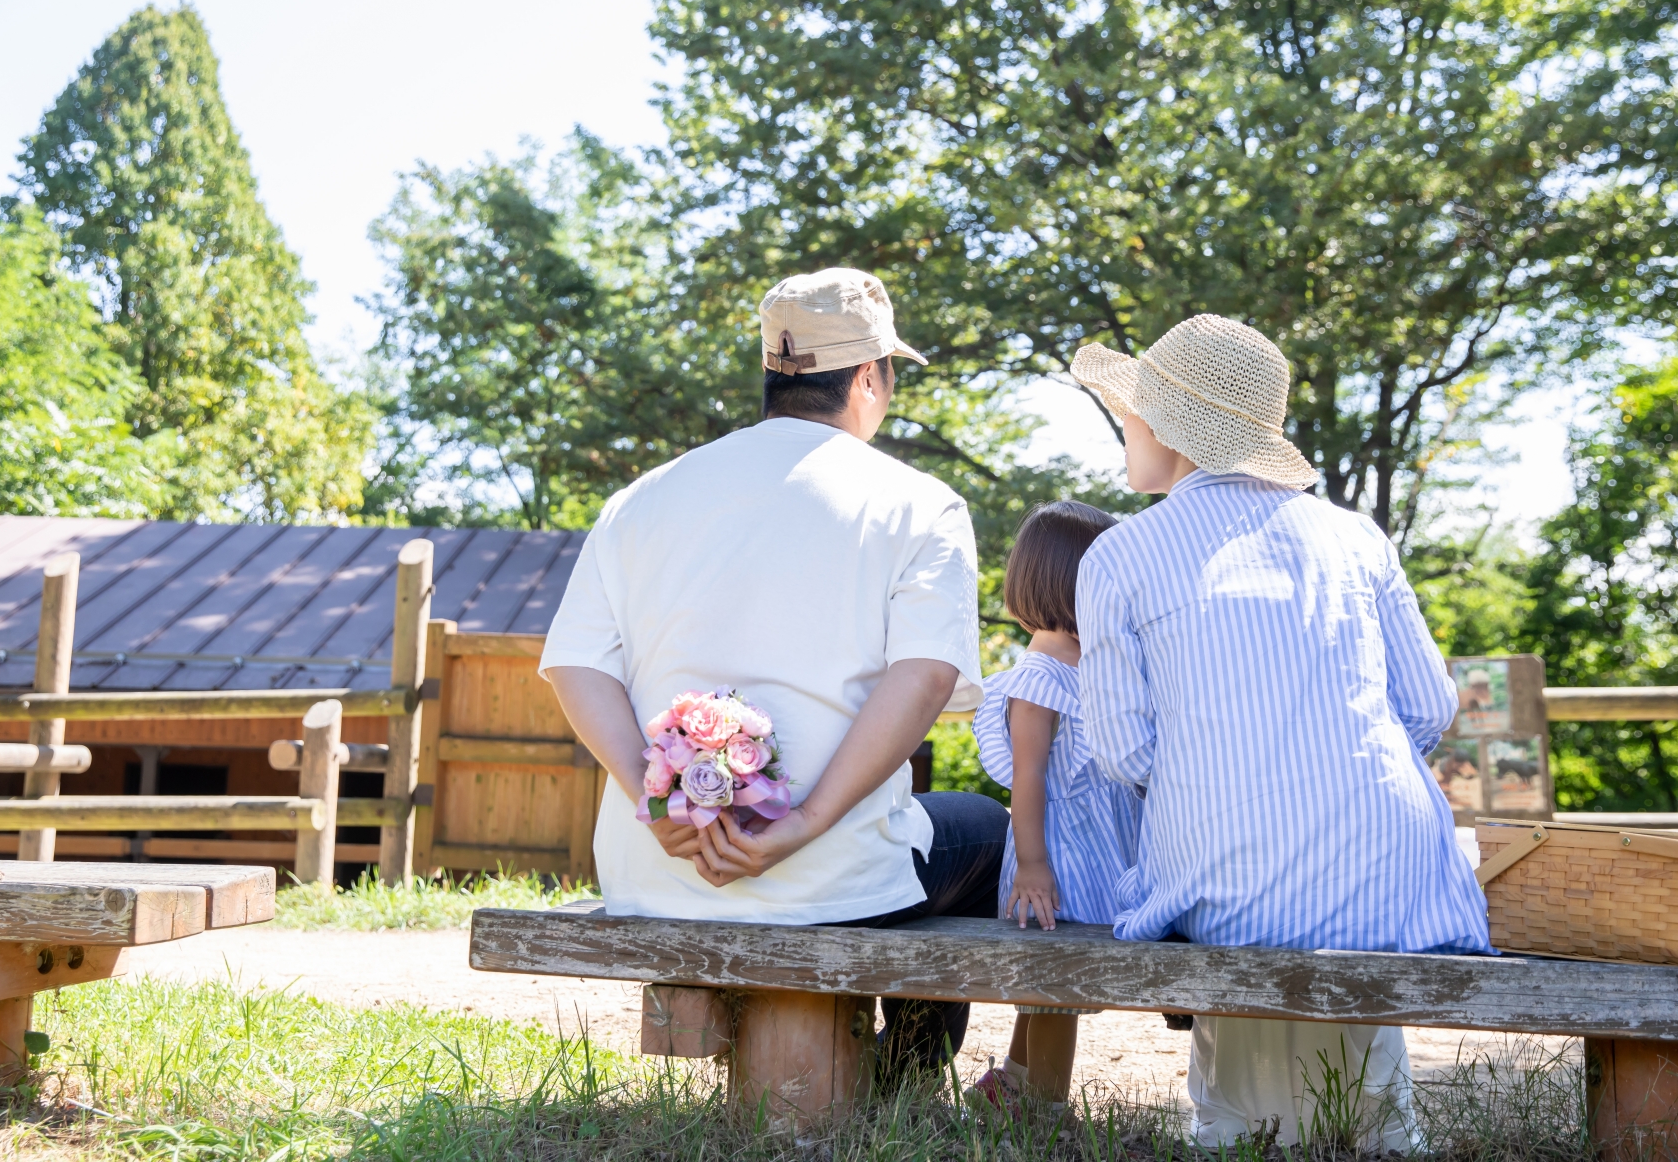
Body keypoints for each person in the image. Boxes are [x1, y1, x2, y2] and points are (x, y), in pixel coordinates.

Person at [540, 267, 1008, 1079]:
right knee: (988, 831)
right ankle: (908, 1074)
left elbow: (575, 664)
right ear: (870, 376)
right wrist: (804, 823)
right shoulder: (920, 503)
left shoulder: (643, 496)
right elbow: (927, 679)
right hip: (835, 877)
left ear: (773, 373)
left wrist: (662, 810)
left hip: (656, 870)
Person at [1069, 314, 1490, 1150]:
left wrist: (1228, 776)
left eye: (1130, 414)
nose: (1124, 429)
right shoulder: (1356, 535)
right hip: (1390, 880)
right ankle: (1372, 1130)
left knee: (1240, 884)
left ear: (1169, 429)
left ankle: (1236, 1132)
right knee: (1326, 894)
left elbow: (1122, 752)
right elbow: (1430, 708)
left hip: (1226, 881)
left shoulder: (1120, 554)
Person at [966, 500, 1142, 1105]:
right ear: (1078, 583)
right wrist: (1035, 863)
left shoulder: (1089, 666)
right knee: (1058, 988)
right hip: (1058, 854)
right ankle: (1044, 1106)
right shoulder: (1039, 677)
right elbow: (1029, 777)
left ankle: (1010, 1080)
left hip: (1090, 847)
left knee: (1050, 984)